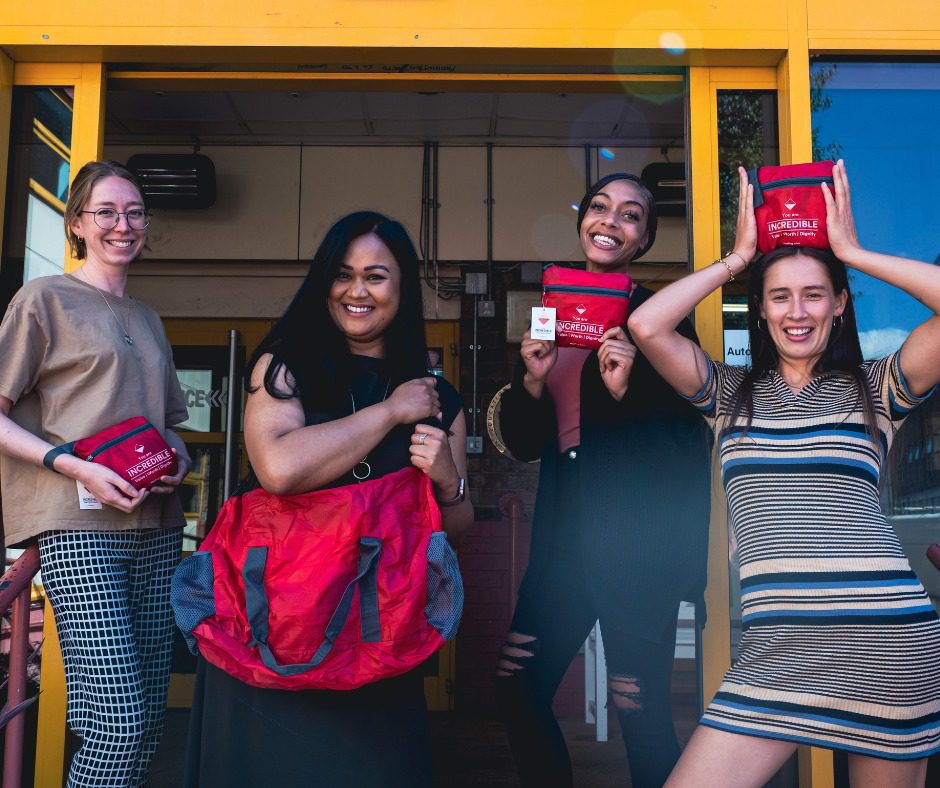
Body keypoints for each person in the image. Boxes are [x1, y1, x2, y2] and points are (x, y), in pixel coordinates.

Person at [628, 161, 940, 787]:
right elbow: (645, 325)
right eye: (780, 296)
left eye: (815, 293)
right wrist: (738, 258)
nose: (798, 311)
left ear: (840, 305)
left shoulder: (877, 389)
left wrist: (849, 250)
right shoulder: (728, 394)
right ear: (761, 312)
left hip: (885, 646)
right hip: (775, 655)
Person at [184, 211, 473, 787]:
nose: (356, 291)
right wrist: (389, 412)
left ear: (401, 287)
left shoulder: (436, 396)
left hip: (377, 637)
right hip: (270, 632)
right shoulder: (286, 365)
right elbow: (280, 469)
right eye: (343, 275)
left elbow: (456, 527)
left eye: (376, 276)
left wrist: (448, 481)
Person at [494, 173, 712, 787]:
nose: (611, 222)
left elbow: (687, 436)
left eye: (631, 215)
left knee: (637, 711)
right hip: (562, 543)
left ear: (643, 240)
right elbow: (525, 441)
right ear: (582, 220)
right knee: (517, 687)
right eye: (600, 207)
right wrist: (531, 381)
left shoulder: (658, 317)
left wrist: (623, 391)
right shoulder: (549, 312)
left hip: (636, 548)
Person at [0, 160, 191, 786]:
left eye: (134, 213)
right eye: (105, 212)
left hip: (156, 527)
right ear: (77, 223)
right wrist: (71, 463)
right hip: (77, 532)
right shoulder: (43, 300)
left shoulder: (149, 319)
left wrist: (179, 460)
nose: (123, 225)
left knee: (145, 727)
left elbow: (169, 426)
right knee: (119, 723)